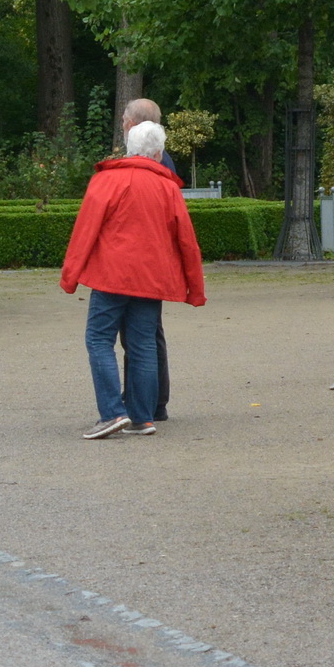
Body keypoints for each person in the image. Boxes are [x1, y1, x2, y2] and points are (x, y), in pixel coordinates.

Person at [61, 120, 206, 439]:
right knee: (143, 345)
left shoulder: (106, 179)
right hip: (151, 277)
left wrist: (70, 276)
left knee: (99, 339)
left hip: (111, 275)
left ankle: (113, 413)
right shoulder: (168, 187)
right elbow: (187, 241)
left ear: (129, 148)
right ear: (158, 154)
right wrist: (195, 289)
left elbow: (85, 229)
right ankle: (142, 417)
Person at [117, 98, 177, 421]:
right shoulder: (161, 160)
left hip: (141, 261)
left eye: (124, 119)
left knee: (141, 335)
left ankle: (147, 401)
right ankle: (151, 400)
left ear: (134, 124)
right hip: (153, 259)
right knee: (147, 333)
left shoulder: (154, 163)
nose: (122, 124)